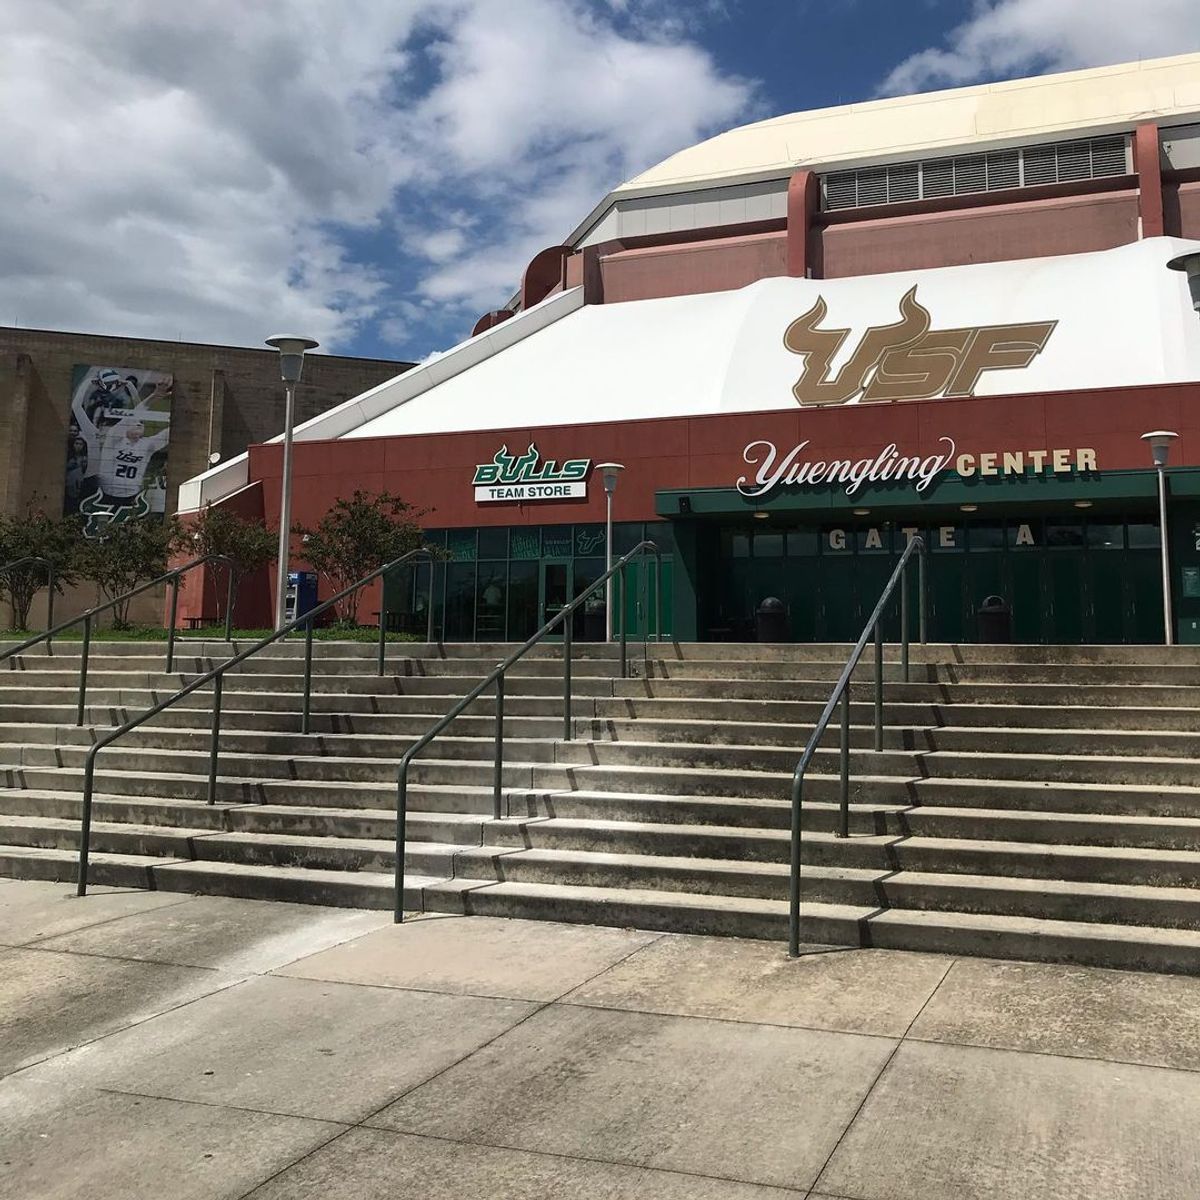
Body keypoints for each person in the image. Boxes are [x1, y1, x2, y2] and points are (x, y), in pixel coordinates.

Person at [72, 375, 170, 513]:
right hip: (102, 493)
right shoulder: (111, 439)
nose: (138, 424)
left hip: (131, 498)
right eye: (134, 423)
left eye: (141, 424)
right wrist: (152, 397)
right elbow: (134, 415)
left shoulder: (146, 444)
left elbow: (167, 434)